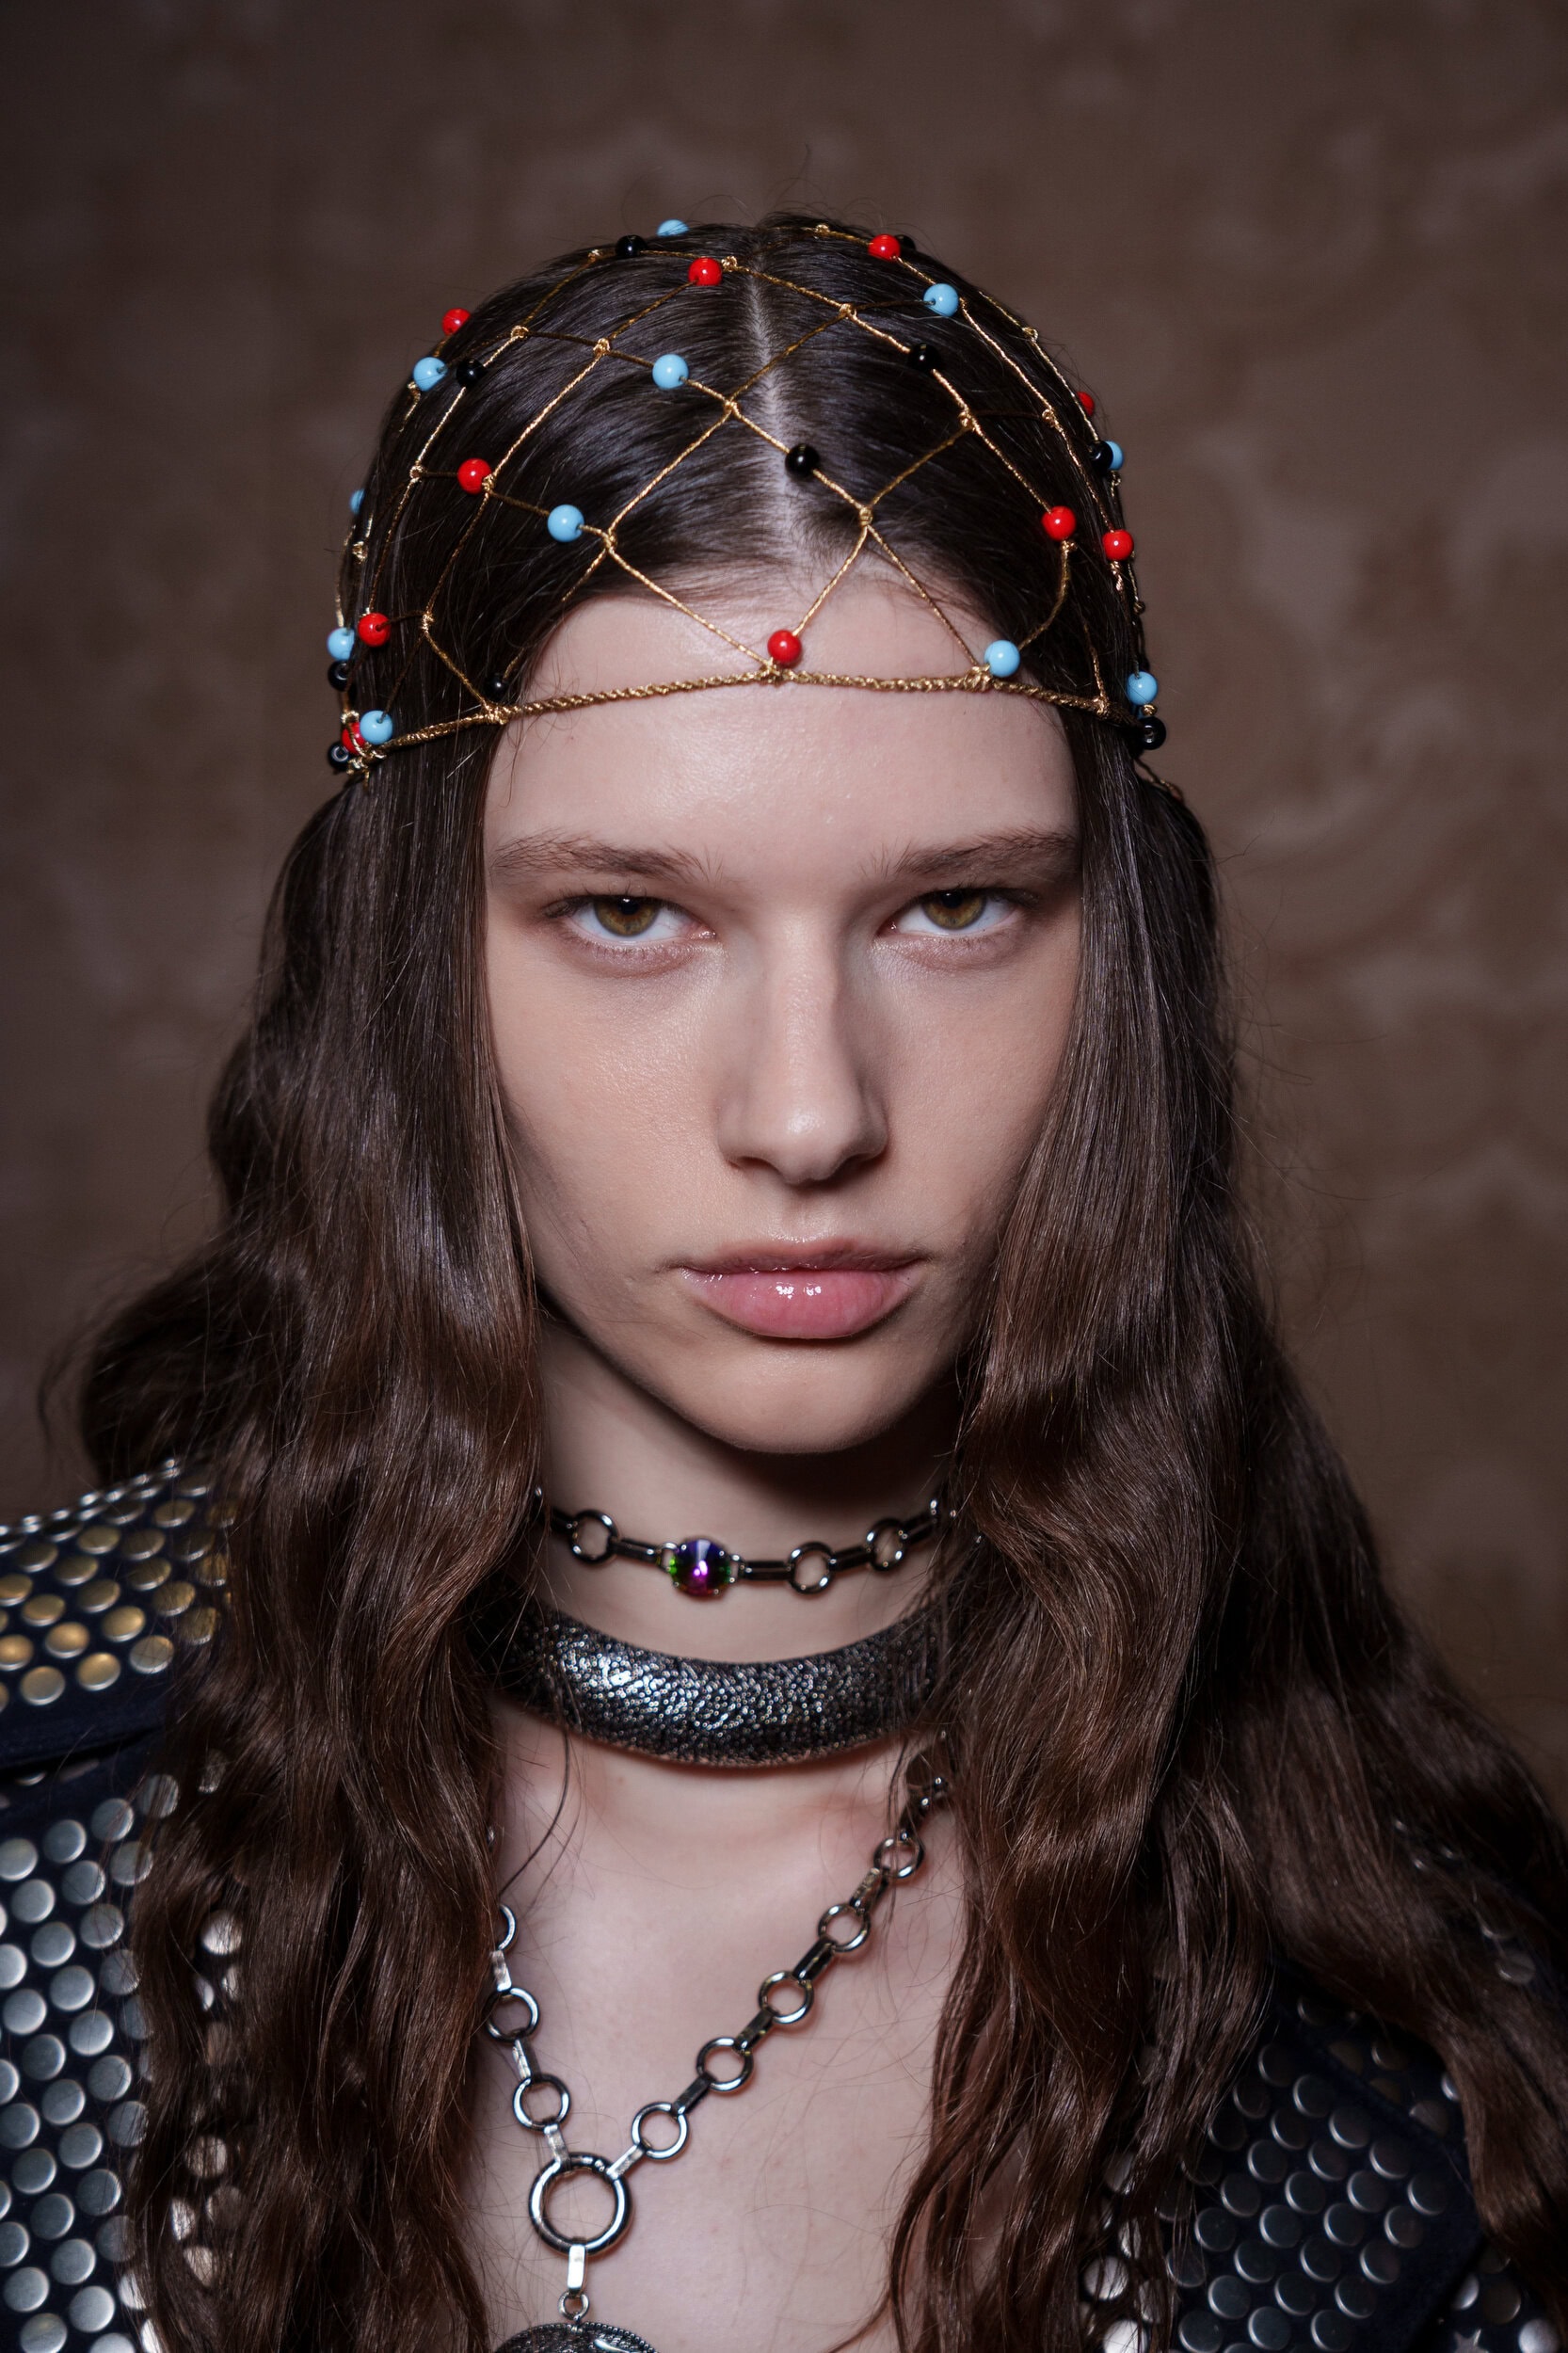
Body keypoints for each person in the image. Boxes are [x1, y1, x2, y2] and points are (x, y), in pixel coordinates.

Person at [0, 214, 1561, 2353]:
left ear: (1116, 962)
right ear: (411, 966)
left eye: (955, 908)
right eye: (629, 913)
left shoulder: (1408, 2026)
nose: (810, 1116)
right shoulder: (32, 1819)